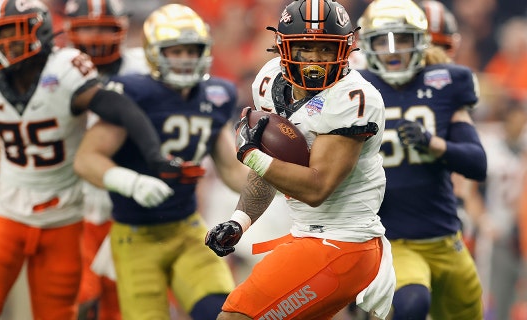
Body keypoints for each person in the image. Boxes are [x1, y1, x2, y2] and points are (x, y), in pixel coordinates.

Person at [0, 0, 178, 318]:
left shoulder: (64, 70)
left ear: (41, 34)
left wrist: (155, 155)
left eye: (13, 33)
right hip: (6, 212)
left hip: (64, 216)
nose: (4, 42)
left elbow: (118, 106)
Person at [204, 0, 396, 319]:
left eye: (325, 49)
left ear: (345, 50)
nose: (315, 60)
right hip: (310, 236)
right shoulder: (268, 83)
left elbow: (316, 189)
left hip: (341, 243)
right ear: (284, 49)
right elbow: (271, 170)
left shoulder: (353, 98)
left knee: (236, 316)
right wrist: (240, 220)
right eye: (306, 48)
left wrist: (252, 156)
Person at [73, 4, 249, 320]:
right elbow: (86, 159)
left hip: (187, 230)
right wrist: (131, 182)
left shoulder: (214, 95)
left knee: (226, 313)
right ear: (154, 53)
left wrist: (280, 183)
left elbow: (232, 170)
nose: (184, 59)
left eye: (191, 50)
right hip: (135, 236)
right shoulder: (135, 93)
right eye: (175, 50)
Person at [357, 0, 487, 319]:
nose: (392, 50)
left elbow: (477, 163)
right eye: (382, 41)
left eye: (401, 38)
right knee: (411, 303)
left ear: (419, 41)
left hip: (444, 236)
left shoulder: (445, 83)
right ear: (366, 45)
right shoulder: (353, 90)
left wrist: (434, 144)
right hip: (391, 238)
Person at [63, 0, 149, 318]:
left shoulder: (145, 67)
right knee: (79, 303)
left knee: (128, 305)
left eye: (103, 27)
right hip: (77, 208)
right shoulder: (58, 72)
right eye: (87, 27)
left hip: (131, 205)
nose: (95, 36)